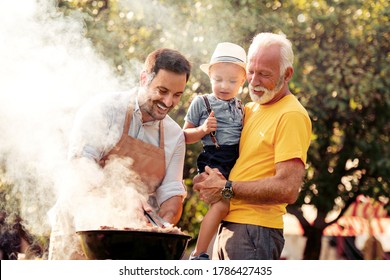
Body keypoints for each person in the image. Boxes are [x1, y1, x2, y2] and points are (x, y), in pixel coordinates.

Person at [48, 48, 192, 259]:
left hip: (132, 238)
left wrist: (162, 226)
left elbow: (172, 194)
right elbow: (81, 164)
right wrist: (124, 194)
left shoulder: (174, 136)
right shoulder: (104, 108)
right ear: (144, 78)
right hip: (80, 227)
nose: (168, 102)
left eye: (177, 95)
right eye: (162, 91)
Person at [193, 32, 312, 260]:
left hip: (255, 232)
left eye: (264, 74)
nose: (254, 81)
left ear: (287, 75)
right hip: (229, 225)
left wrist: (225, 187)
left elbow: (288, 188)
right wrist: (207, 180)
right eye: (250, 71)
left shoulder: (292, 115)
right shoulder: (248, 109)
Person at [183, 42, 246, 260]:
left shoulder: (241, 107)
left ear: (243, 81)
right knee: (221, 205)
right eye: (218, 79)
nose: (224, 86)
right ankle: (199, 253)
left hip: (235, 161)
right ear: (210, 76)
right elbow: (184, 137)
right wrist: (202, 130)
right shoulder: (201, 103)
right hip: (214, 157)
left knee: (230, 203)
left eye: (232, 81)